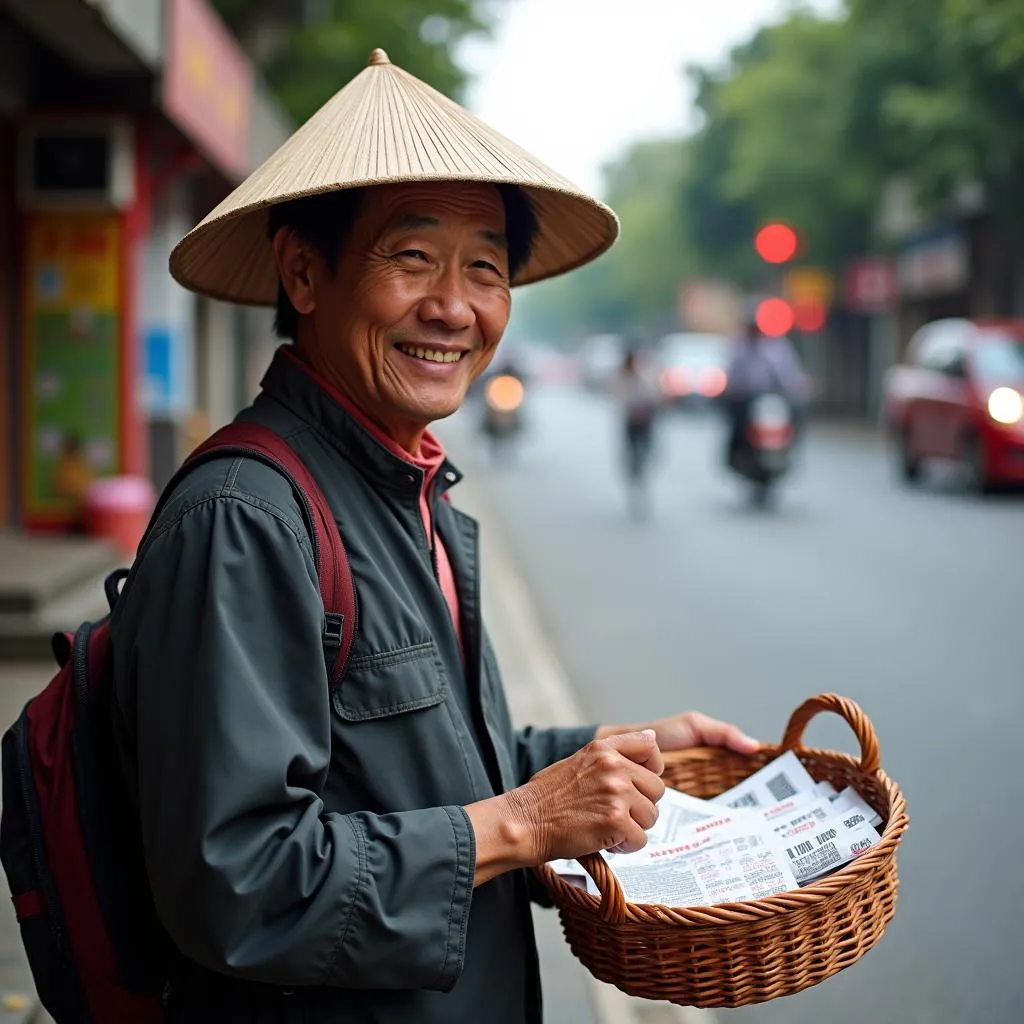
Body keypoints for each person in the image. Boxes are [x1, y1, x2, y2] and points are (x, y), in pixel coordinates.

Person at [109, 49, 759, 1024]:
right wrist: (527, 820)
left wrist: (619, 752)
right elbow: (234, 881)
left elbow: (436, 761)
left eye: (485, 268)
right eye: (411, 257)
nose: (454, 306)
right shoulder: (245, 519)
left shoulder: (410, 493)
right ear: (304, 271)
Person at [723, 310, 810, 466]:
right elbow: (732, 374)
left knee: (797, 411)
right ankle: (736, 452)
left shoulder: (777, 346)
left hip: (774, 396)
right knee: (736, 421)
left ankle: (790, 445)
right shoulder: (738, 346)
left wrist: (798, 387)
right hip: (746, 398)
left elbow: (789, 373)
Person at [611, 346, 662, 514]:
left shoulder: (647, 371)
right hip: (631, 420)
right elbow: (617, 398)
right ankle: (633, 470)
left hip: (646, 418)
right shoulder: (622, 376)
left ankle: (642, 465)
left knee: (648, 449)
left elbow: (655, 393)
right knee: (631, 450)